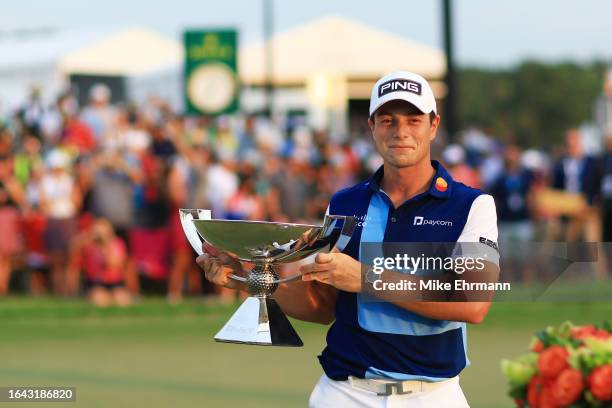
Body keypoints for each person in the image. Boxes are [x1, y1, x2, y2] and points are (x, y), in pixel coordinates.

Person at [199, 71, 500, 407]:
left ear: (433, 125)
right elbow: (323, 302)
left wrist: (365, 278)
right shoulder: (346, 203)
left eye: (413, 120)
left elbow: (472, 303)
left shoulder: (472, 205)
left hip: (433, 395)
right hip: (344, 393)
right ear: (371, 126)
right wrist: (245, 277)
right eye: (387, 120)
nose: (401, 131)